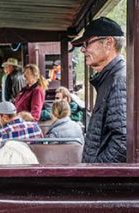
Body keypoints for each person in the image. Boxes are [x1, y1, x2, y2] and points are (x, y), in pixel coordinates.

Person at [72, 17, 126, 163]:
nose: (83, 49)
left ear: (109, 43)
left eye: (87, 43)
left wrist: (96, 169)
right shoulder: (110, 78)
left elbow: (124, 140)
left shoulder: (119, 80)